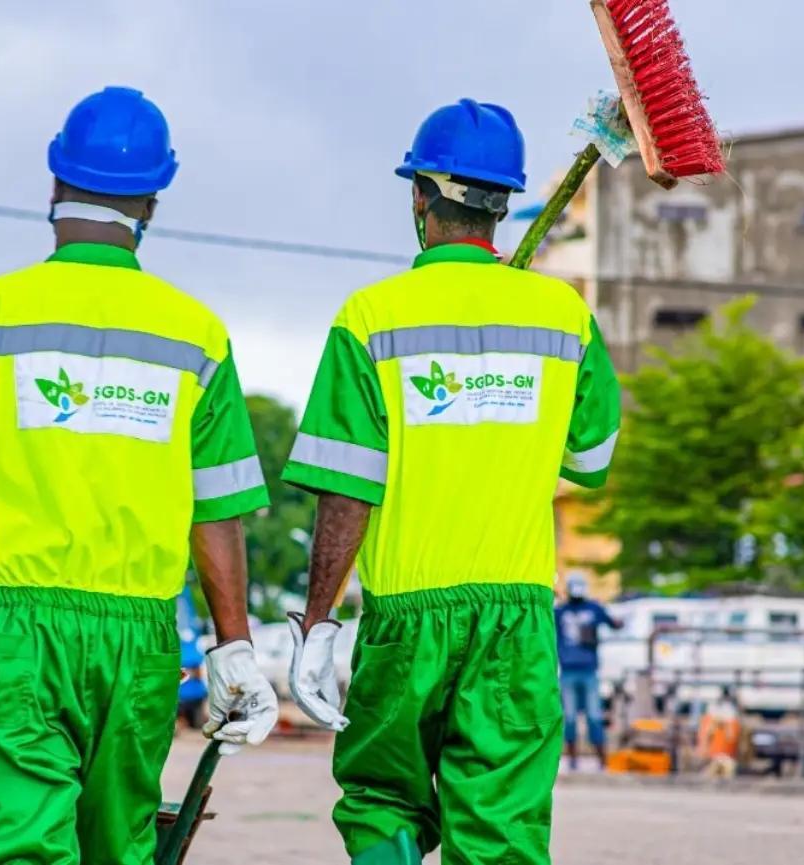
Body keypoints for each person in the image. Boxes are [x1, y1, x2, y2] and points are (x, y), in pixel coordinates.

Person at [0, 87, 279, 864]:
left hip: (17, 633)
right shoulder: (197, 334)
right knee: (118, 846)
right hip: (138, 639)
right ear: (153, 199)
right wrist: (233, 644)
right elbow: (217, 510)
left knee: (25, 845)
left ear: (53, 182)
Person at [282, 98, 621, 865]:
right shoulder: (563, 315)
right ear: (502, 205)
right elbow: (591, 462)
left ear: (419, 196)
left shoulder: (371, 318)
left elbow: (347, 488)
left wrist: (317, 621)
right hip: (518, 619)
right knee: (501, 823)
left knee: (382, 801)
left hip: (406, 613)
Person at [554, 571, 622, 770]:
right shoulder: (560, 611)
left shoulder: (593, 608)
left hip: (589, 670)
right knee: (570, 717)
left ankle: (603, 760)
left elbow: (613, 623)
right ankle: (573, 760)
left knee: (594, 716)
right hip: (568, 671)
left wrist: (617, 621)